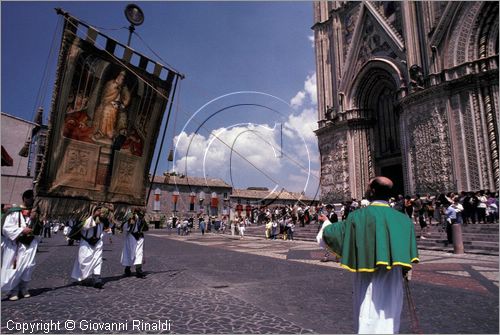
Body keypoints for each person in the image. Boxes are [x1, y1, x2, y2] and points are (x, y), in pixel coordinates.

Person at [317, 177, 419, 334]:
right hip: (393, 281)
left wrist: (325, 223)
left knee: (367, 317)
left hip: (366, 281)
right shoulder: (404, 220)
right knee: (390, 322)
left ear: (372, 191)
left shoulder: (357, 217)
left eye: (367, 186)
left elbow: (332, 234)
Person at [1, 190, 42, 301]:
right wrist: (21, 230)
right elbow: (6, 228)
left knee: (28, 266)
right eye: (30, 199)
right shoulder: (14, 212)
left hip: (30, 244)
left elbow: (38, 229)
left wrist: (36, 220)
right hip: (17, 244)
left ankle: (23, 288)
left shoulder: (34, 212)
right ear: (25, 198)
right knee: (15, 267)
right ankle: (13, 290)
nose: (32, 201)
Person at [71, 206, 105, 289]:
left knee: (98, 260)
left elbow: (109, 224)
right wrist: (93, 216)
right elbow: (85, 226)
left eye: (100, 211)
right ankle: (83, 278)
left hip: (97, 243)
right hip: (86, 243)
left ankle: (97, 279)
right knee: (84, 261)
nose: (99, 212)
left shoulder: (101, 220)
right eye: (97, 210)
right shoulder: (86, 219)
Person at [121, 208, 147, 278]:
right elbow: (124, 226)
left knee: (139, 253)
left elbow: (145, 227)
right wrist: (129, 221)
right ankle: (127, 268)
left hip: (140, 237)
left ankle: (139, 270)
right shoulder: (129, 214)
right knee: (130, 253)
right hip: (131, 236)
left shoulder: (141, 216)